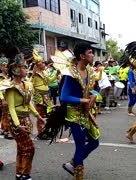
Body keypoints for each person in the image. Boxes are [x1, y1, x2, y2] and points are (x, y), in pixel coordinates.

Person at [0, 51, 46, 180]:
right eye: (23, 67)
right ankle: (25, 174)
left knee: (21, 148)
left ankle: (19, 173)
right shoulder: (10, 87)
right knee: (29, 148)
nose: (26, 69)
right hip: (17, 121)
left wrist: (38, 116)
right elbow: (11, 108)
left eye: (25, 66)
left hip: (26, 119)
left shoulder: (26, 84)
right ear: (16, 70)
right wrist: (17, 125)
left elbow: (28, 103)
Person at [60, 42, 99, 180]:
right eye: (90, 53)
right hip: (74, 114)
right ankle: (78, 175)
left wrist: (94, 94)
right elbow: (64, 97)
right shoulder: (70, 73)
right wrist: (83, 100)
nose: (92, 55)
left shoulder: (89, 71)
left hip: (86, 112)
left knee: (95, 141)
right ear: (82, 56)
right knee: (80, 145)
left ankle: (73, 163)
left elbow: (90, 89)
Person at [30, 49, 58, 137]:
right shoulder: (34, 74)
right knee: (40, 113)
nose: (44, 64)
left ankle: (46, 130)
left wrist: (56, 74)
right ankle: (41, 132)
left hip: (46, 95)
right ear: (37, 65)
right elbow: (30, 83)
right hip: (38, 96)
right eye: (42, 63)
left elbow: (48, 81)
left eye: (43, 63)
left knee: (48, 113)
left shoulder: (45, 72)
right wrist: (33, 74)